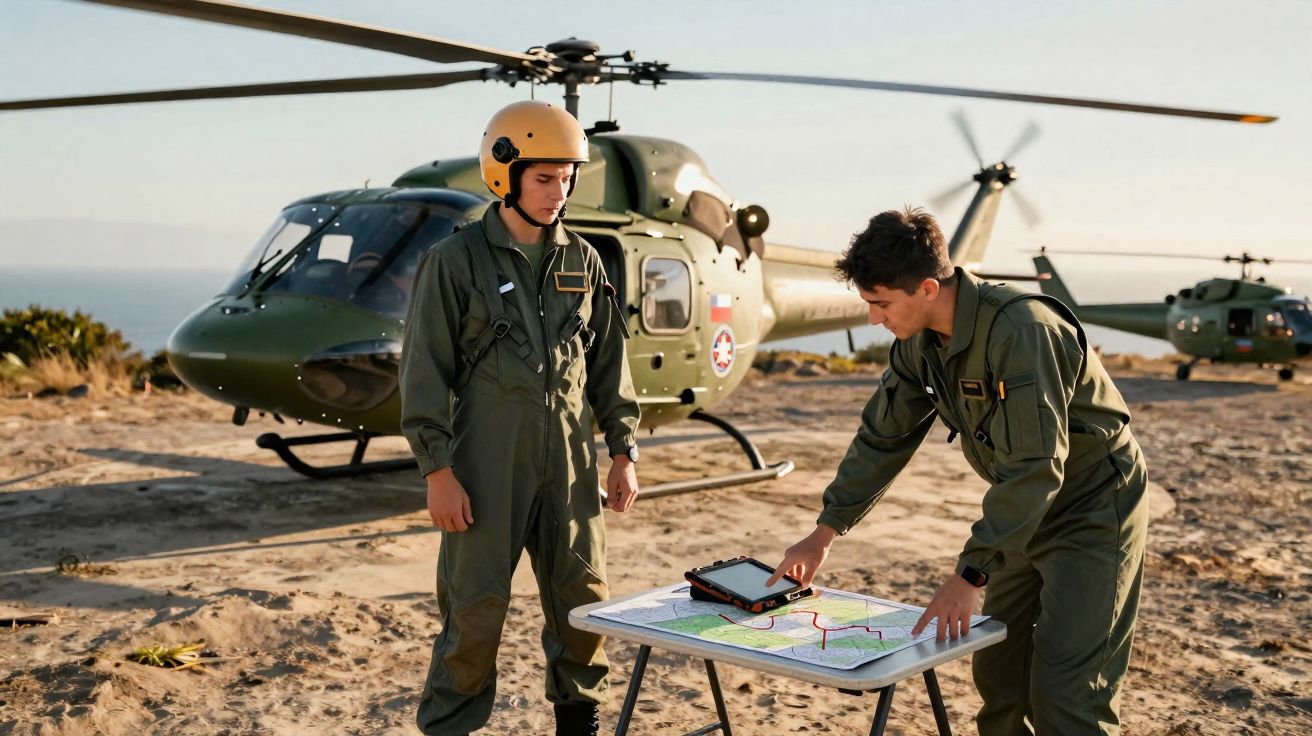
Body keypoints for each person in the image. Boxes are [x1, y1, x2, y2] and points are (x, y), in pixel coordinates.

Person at [767, 207, 1148, 734]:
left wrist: (970, 573)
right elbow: (883, 437)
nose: (874, 318)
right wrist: (824, 532)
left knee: (1067, 695)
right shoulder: (917, 342)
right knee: (1000, 676)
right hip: (1021, 513)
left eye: (880, 303)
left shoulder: (1022, 330)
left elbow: (1038, 467)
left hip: (1093, 508)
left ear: (926, 288)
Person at [400, 100, 641, 736]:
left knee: (582, 604)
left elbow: (610, 367)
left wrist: (623, 452)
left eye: (567, 177)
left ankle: (577, 723)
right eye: (544, 178)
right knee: (475, 609)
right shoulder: (454, 263)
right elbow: (423, 374)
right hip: (484, 465)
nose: (558, 192)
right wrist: (437, 471)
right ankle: (452, 725)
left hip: (569, 464)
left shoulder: (583, 262)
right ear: (504, 172)